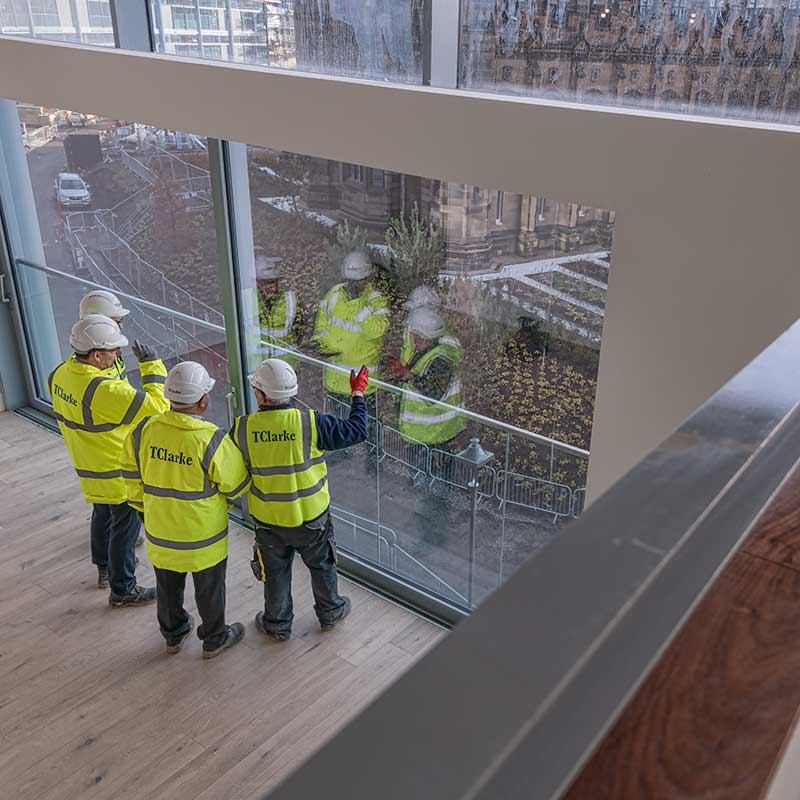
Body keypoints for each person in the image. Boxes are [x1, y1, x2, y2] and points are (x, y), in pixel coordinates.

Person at [232, 359, 369, 641]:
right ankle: (331, 612)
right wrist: (357, 394)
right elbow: (357, 430)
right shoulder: (310, 423)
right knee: (322, 567)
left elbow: (230, 471)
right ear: (290, 392)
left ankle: (277, 625)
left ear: (260, 394)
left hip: (269, 520)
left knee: (276, 572)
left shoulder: (242, 429)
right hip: (312, 519)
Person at [121, 362, 251, 658]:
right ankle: (215, 638)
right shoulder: (211, 438)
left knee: (167, 588)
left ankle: (173, 634)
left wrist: (144, 507)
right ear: (204, 400)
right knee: (209, 590)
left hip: (161, 532)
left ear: (169, 397)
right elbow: (236, 486)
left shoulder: (143, 431)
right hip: (204, 538)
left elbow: (129, 472)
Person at [48, 315, 168, 605]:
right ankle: (123, 589)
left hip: (89, 466)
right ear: (97, 355)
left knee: (103, 516)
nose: (118, 355)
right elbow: (158, 408)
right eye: (113, 351)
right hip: (116, 472)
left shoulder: (60, 373)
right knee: (124, 532)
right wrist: (152, 367)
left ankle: (103, 568)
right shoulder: (104, 390)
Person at [312, 251, 389, 399]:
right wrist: (319, 345)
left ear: (367, 278)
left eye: (358, 280)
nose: (354, 285)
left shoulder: (376, 301)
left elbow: (376, 331)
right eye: (350, 280)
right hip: (334, 381)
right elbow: (321, 325)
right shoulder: (333, 294)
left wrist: (360, 308)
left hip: (362, 387)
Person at [388, 306, 466, 447]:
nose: (413, 341)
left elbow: (433, 393)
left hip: (436, 433)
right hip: (428, 431)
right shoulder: (429, 351)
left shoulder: (442, 359)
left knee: (434, 468)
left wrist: (409, 376)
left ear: (424, 337)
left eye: (415, 336)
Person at [255, 251, 302, 367]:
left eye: (273, 281)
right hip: (257, 368)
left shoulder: (290, 299)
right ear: (256, 282)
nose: (271, 286)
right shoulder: (248, 302)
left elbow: (300, 330)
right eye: (265, 282)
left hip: (287, 367)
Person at [79, 289, 130, 382]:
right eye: (115, 322)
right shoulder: (90, 367)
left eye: (121, 321)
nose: (121, 327)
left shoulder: (106, 347)